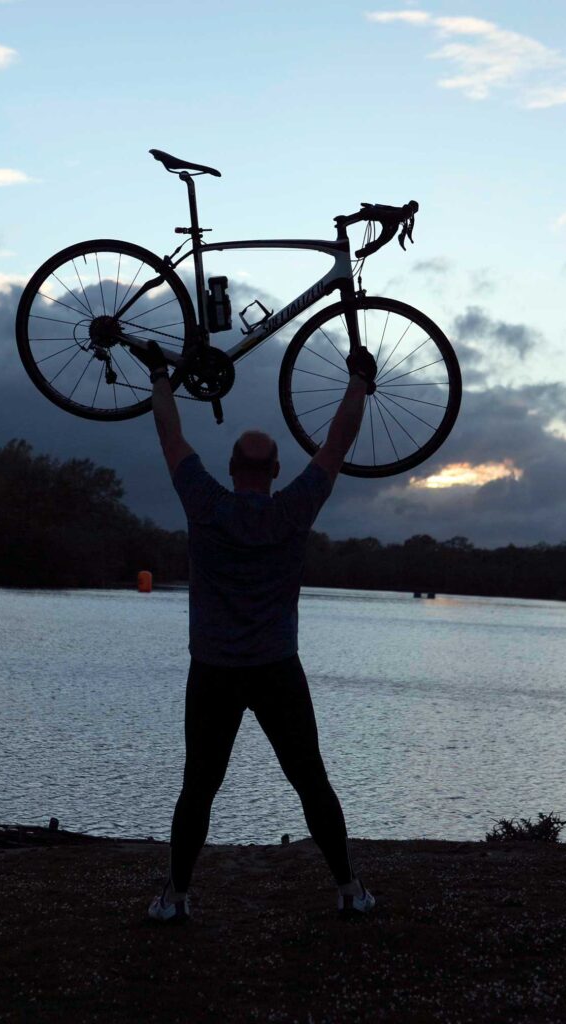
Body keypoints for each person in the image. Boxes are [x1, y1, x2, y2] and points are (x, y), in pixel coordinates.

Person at [133, 339, 378, 925]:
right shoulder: (294, 508)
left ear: (231, 470)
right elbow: (337, 445)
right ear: (273, 471)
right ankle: (348, 889)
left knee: (199, 787)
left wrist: (161, 376)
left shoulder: (205, 503)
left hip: (214, 669)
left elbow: (171, 438)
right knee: (310, 780)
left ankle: (176, 898)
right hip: (275, 668)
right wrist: (358, 383)